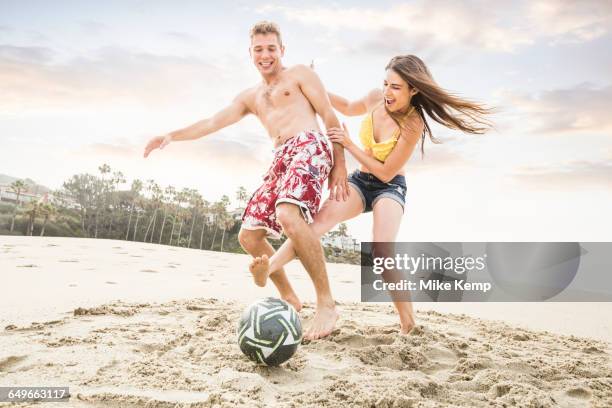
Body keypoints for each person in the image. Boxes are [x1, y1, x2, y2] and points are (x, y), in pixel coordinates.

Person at [250, 54, 492, 337]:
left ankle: (408, 324)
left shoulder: (413, 124)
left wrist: (349, 145)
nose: (388, 93)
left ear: (414, 90)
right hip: (361, 181)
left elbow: (387, 172)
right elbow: (348, 107)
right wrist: (311, 85)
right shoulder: (377, 98)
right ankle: (268, 270)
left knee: (381, 252)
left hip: (389, 187)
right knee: (313, 227)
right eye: (386, 84)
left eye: (396, 87)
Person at [143, 21, 349, 335]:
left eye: (271, 48)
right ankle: (290, 298)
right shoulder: (251, 97)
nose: (265, 55)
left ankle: (326, 304)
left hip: (310, 145)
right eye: (258, 49)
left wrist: (340, 165)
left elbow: (330, 115)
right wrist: (171, 135)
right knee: (249, 236)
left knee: (288, 214)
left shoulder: (300, 76)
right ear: (250, 53)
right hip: (281, 157)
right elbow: (212, 122)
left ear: (282, 50)